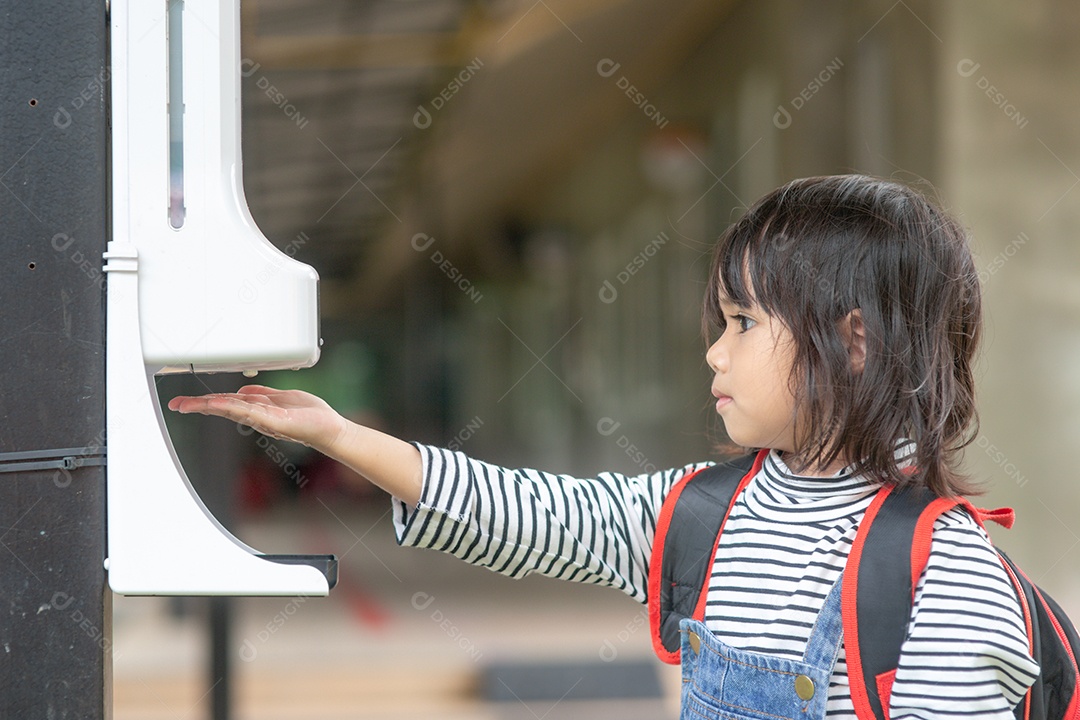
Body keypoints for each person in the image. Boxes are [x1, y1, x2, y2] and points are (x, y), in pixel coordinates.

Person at [169, 174, 1039, 718]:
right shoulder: (701, 511)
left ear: (853, 343)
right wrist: (339, 435)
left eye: (743, 323)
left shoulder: (947, 575)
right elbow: (533, 515)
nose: (714, 350)